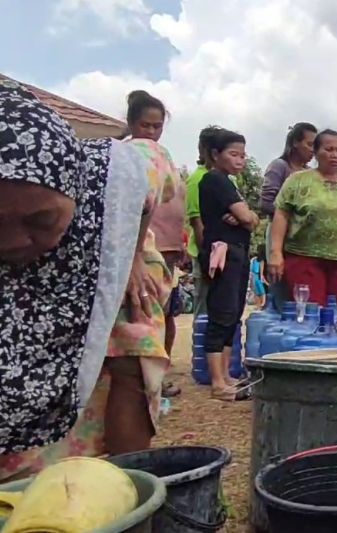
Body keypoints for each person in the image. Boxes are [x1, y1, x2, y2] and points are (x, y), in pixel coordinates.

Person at [0, 81, 174, 484]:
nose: (13, 240)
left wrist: (133, 252)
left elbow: (148, 185)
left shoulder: (116, 176)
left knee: (134, 335)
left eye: (40, 220)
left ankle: (130, 486)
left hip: (103, 277)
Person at [268, 129, 337, 306]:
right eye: (328, 149)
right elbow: (281, 215)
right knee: (311, 313)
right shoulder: (297, 181)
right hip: (303, 260)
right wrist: (276, 253)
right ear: (316, 153)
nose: (334, 155)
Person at [123, 90, 185, 398]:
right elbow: (146, 204)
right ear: (131, 123)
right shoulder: (141, 155)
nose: (151, 132)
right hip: (141, 250)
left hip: (162, 249)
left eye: (157, 127)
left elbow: (171, 199)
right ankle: (145, 385)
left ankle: (154, 379)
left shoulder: (160, 155)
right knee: (143, 316)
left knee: (161, 313)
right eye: (145, 126)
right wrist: (135, 254)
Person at [198, 129, 259, 401]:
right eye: (233, 154)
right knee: (221, 314)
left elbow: (250, 218)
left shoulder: (229, 182)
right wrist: (246, 216)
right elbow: (246, 215)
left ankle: (226, 375)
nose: (240, 160)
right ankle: (217, 381)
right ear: (215, 154)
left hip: (238, 251)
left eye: (243, 155)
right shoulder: (214, 179)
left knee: (232, 315)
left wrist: (247, 217)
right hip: (223, 253)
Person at [260, 123, 317, 310]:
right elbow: (267, 203)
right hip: (280, 237)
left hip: (304, 239)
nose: (313, 150)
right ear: (294, 143)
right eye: (309, 144)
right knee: (281, 285)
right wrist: (296, 214)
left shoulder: (311, 174)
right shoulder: (280, 167)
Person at [185, 126, 224, 320]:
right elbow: (196, 220)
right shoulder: (197, 179)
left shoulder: (227, 179)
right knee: (204, 310)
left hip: (224, 254)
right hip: (206, 254)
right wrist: (206, 255)